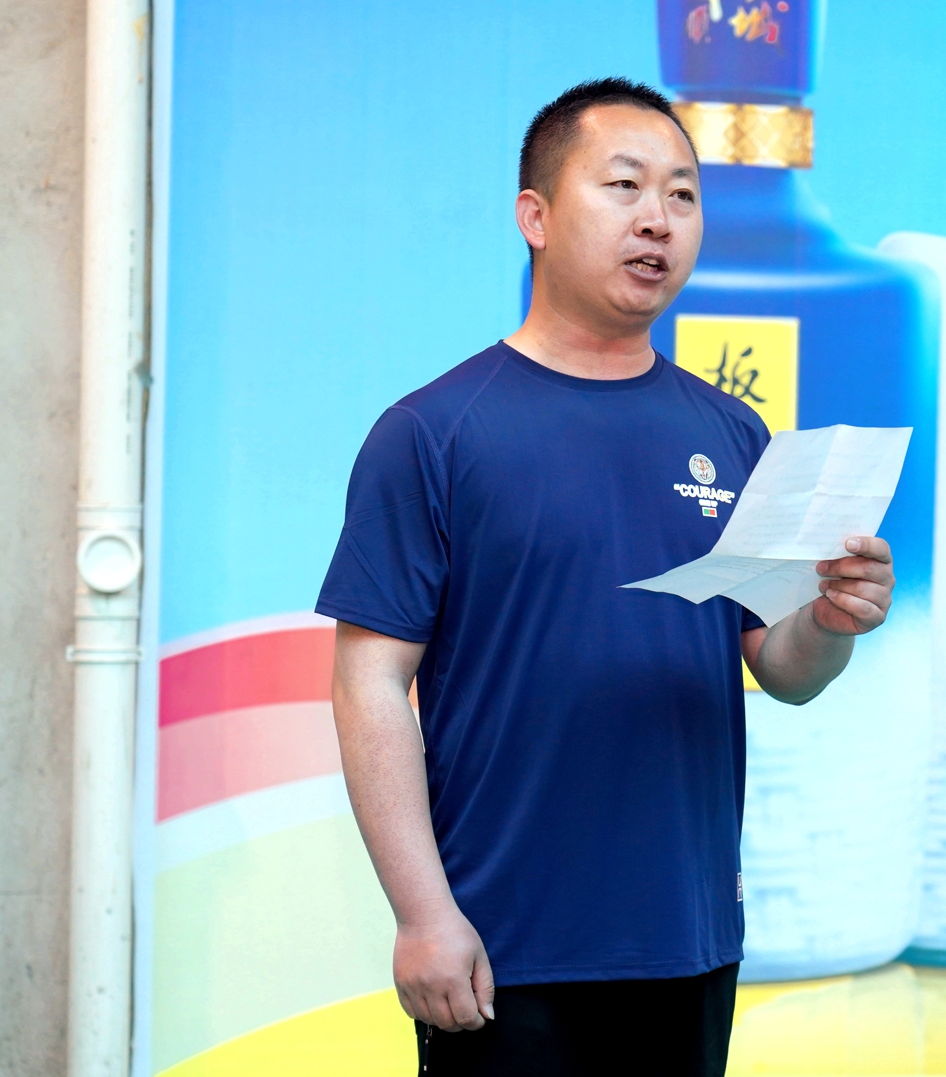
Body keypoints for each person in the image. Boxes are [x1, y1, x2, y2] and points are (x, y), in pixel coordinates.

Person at [317, 77, 897, 1076]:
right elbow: (368, 682)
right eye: (623, 186)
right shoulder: (434, 432)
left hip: (686, 939)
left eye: (682, 195)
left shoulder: (731, 432)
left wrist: (832, 621)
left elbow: (782, 666)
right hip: (502, 946)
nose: (657, 220)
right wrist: (422, 915)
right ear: (535, 216)